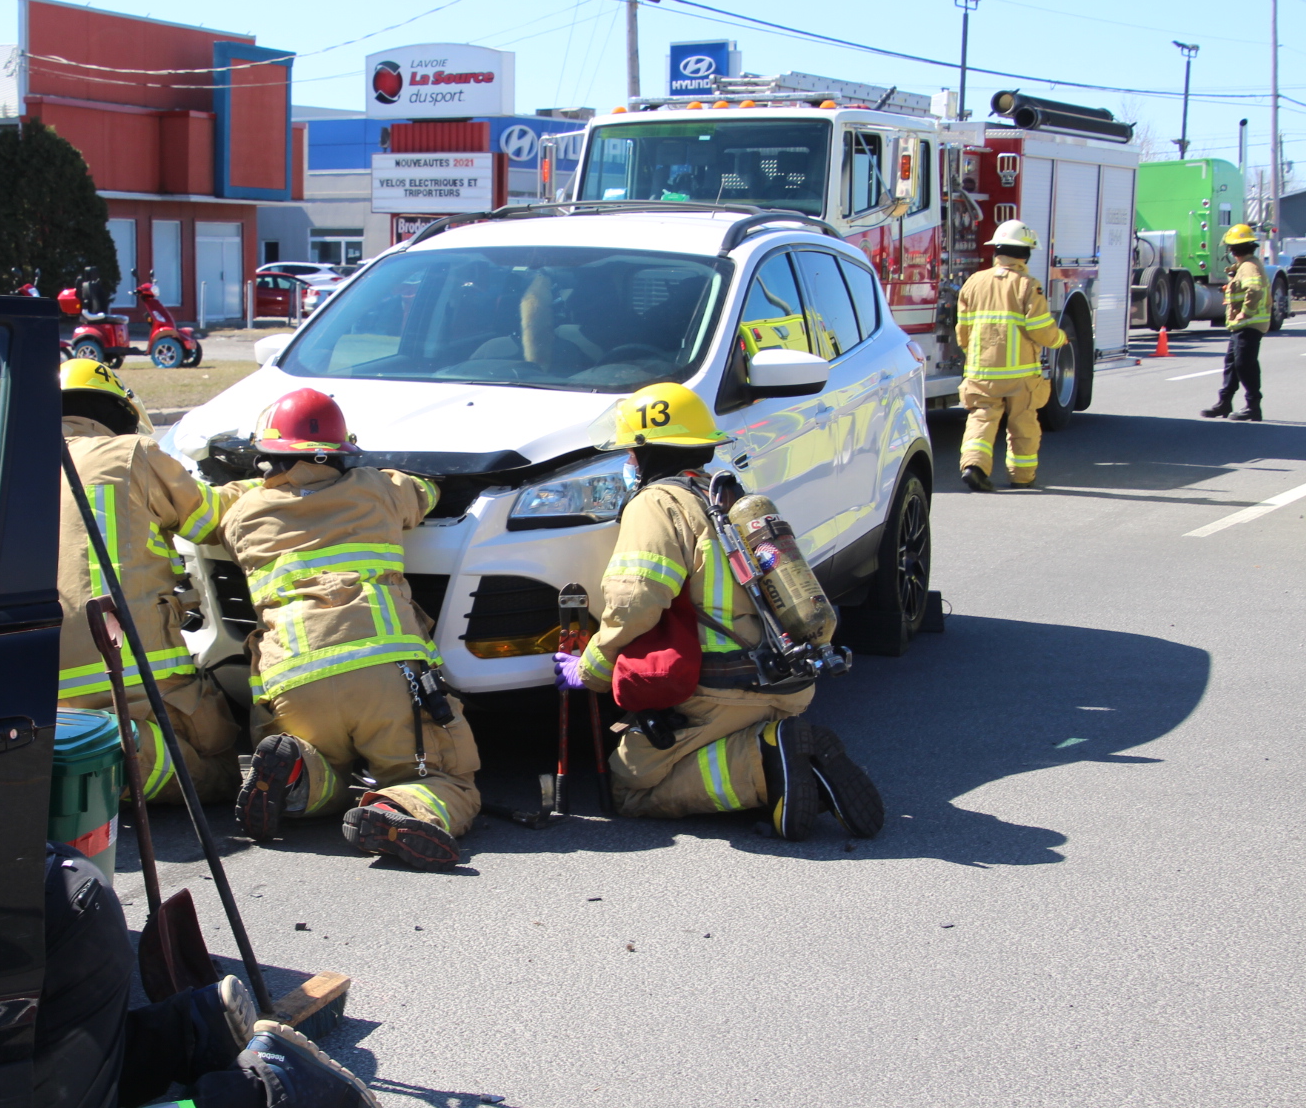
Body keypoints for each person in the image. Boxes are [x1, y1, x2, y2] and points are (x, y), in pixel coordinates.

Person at [551, 383, 884, 842]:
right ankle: (784, 754)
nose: (629, 462)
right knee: (700, 747)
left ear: (648, 452)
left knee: (630, 787)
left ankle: (764, 763)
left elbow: (635, 600)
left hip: (719, 690)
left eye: (631, 452)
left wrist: (591, 668)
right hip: (789, 683)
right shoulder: (727, 496)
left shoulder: (656, 503)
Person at [220, 389, 480, 870]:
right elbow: (427, 491)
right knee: (443, 779)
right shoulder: (377, 488)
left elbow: (213, 518)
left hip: (293, 683)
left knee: (328, 774)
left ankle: (296, 774)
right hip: (383, 674)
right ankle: (399, 809)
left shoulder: (243, 513)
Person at [35, 842, 380, 1108]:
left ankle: (261, 1093)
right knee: (54, 1066)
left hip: (53, 918)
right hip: (58, 884)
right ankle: (188, 1032)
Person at [58, 359, 251, 804]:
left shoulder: (14, 474)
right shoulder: (129, 454)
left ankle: (78, 761)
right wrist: (263, 485)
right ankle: (120, 753)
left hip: (47, 692)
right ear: (121, 414)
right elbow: (208, 520)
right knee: (220, 765)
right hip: (136, 674)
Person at [955, 220, 1067, 491]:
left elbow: (963, 330)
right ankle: (1021, 476)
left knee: (981, 418)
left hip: (981, 372)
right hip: (1020, 375)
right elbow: (1040, 329)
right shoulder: (1028, 286)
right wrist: (1061, 339)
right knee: (1023, 423)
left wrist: (975, 356)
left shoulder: (973, 282)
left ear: (997, 250)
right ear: (1025, 254)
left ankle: (973, 467)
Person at [1202, 224, 1270, 422]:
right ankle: (1224, 402)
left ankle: (1253, 406)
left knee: (1244, 364)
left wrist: (1245, 313)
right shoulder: (1245, 266)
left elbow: (1254, 290)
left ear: (1232, 249)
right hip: (1242, 325)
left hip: (1249, 323)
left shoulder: (1248, 267)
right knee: (1232, 364)